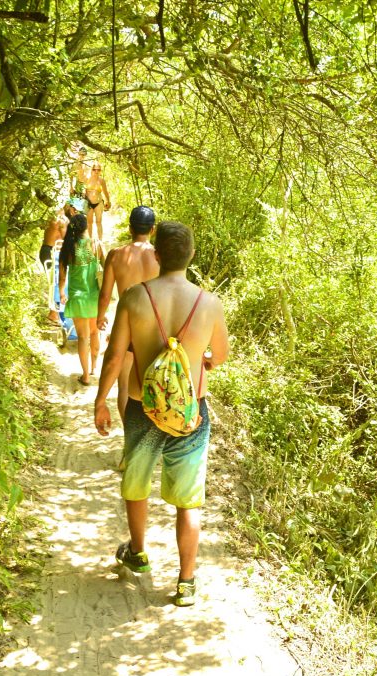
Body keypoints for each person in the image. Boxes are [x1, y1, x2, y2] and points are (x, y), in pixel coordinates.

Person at [94, 221, 229, 607]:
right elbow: (218, 356)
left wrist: (101, 400)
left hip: (141, 407)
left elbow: (115, 355)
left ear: (156, 255)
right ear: (191, 256)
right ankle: (186, 581)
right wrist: (201, 357)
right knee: (188, 500)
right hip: (191, 413)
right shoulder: (209, 303)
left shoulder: (135, 299)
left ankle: (138, 552)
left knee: (136, 485)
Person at [96, 205, 160, 423]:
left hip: (127, 328)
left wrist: (100, 316)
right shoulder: (161, 257)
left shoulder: (115, 255)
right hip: (154, 330)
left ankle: (130, 440)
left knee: (124, 386)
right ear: (153, 229)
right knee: (153, 384)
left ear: (130, 228)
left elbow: (105, 294)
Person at [59, 213, 101, 385]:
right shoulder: (95, 245)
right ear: (86, 227)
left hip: (77, 298)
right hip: (94, 297)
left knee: (83, 337)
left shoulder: (68, 248)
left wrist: (62, 293)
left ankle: (85, 376)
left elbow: (62, 278)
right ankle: (94, 368)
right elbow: (106, 269)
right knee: (94, 332)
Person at [76, 150, 111, 244]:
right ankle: (90, 241)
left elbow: (105, 191)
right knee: (89, 223)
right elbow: (80, 175)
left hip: (99, 202)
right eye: (94, 169)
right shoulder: (87, 178)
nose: (96, 171)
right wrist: (79, 160)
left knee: (99, 222)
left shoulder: (101, 181)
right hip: (88, 203)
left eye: (98, 170)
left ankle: (100, 241)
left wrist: (108, 201)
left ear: (100, 171)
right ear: (91, 170)